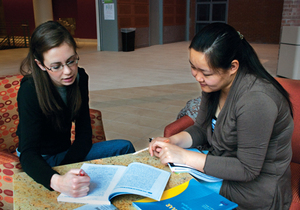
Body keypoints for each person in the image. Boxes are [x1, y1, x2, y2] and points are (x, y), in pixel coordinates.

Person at [149, 23, 293, 209]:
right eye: (193, 67)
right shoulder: (214, 85)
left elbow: (247, 169)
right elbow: (201, 128)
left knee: (166, 194)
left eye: (205, 72)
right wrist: (172, 141)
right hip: (221, 168)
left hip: (253, 188)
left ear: (233, 66)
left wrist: (184, 157)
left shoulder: (256, 100)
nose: (198, 77)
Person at [17, 21, 135, 198]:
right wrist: (58, 180)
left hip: (66, 154)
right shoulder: (30, 90)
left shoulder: (80, 77)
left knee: (124, 147)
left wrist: (69, 166)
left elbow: (84, 132)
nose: (67, 72)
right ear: (41, 65)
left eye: (71, 61)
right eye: (56, 66)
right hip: (40, 160)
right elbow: (28, 153)